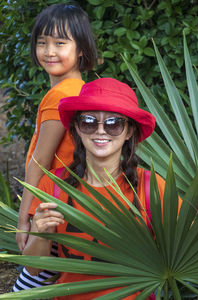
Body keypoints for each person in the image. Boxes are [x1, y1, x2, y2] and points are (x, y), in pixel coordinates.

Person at [21, 77, 167, 299]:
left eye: (114, 123)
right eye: (89, 121)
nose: (100, 131)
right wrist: (41, 233)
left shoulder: (152, 187)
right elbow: (33, 269)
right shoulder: (53, 186)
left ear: (129, 132)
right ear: (78, 129)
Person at [16, 3, 97, 252]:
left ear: (81, 49)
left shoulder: (60, 96)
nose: (49, 51)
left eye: (60, 43)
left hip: (52, 207)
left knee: (29, 285)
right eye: (42, 42)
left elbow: (40, 161)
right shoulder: (81, 89)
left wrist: (22, 220)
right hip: (73, 204)